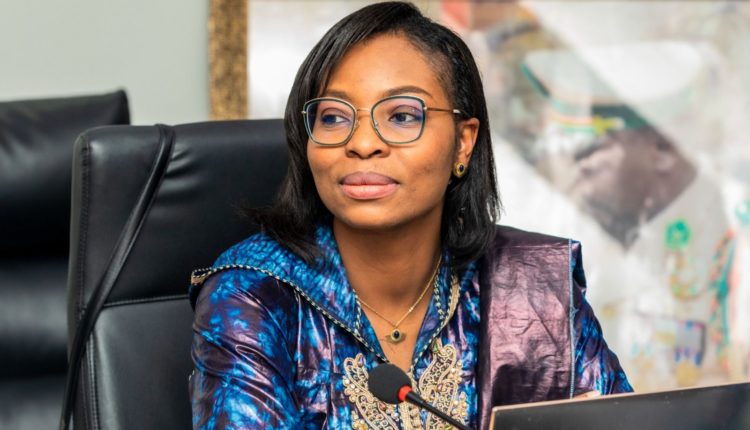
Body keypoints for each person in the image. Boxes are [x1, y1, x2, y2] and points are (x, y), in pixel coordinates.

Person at [188, 2, 631, 429]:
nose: (362, 144)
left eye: (401, 116)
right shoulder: (253, 296)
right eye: (334, 117)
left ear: (463, 143)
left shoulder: (533, 285)